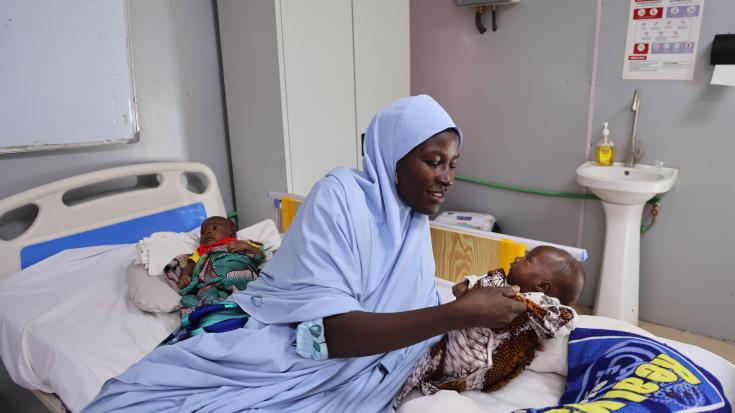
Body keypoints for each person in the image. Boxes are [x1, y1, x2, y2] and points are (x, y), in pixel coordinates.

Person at [82, 95, 527, 413]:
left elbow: (404, 299)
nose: (447, 177)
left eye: (453, 164)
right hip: (289, 340)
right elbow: (331, 335)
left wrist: (456, 304)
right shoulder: (341, 196)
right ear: (392, 157)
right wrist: (456, 315)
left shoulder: (411, 223)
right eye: (434, 161)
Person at [394, 246, 585, 407]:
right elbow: (479, 281)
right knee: (422, 356)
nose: (518, 258)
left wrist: (527, 305)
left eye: (528, 259)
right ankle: (402, 390)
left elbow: (565, 320)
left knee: (421, 362)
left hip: (487, 370)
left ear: (542, 286)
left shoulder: (543, 306)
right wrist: (466, 285)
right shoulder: (499, 281)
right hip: (460, 344)